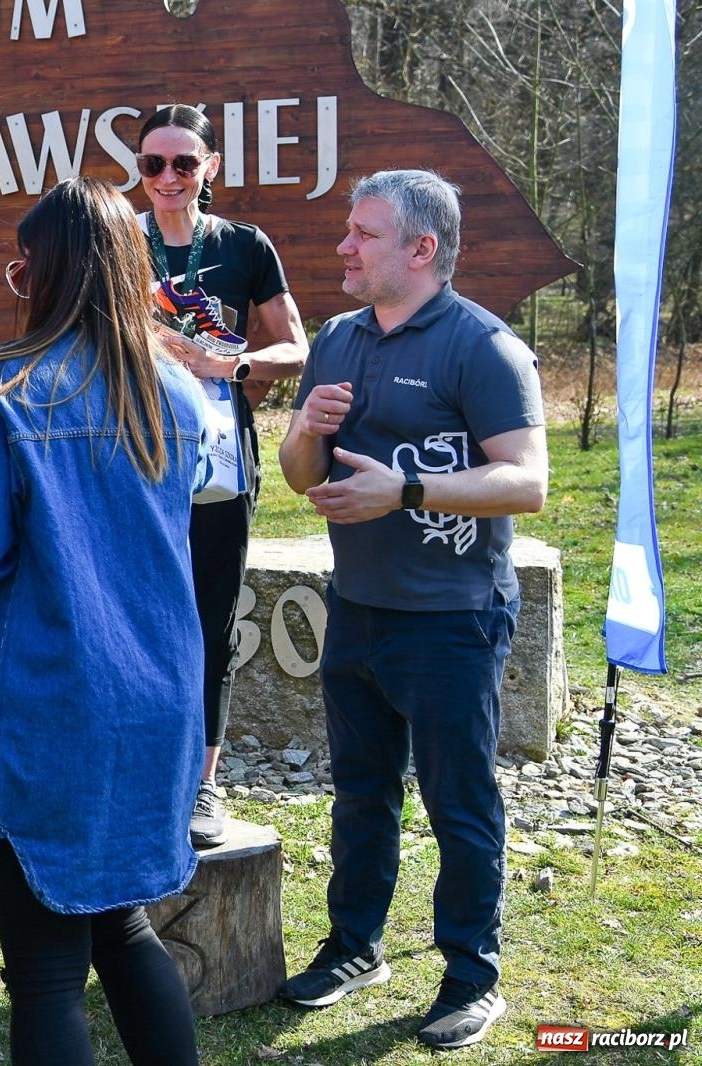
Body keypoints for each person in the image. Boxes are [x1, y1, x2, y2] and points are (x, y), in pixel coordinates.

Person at [0, 177, 206, 1066]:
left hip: (51, 701)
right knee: (123, 929)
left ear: (45, 273)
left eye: (23, 269)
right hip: (158, 695)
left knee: (47, 976)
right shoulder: (178, 393)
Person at [276, 170, 547, 1051]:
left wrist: (411, 492)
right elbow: (299, 475)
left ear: (422, 249)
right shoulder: (338, 338)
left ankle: (472, 974)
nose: (344, 247)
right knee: (359, 796)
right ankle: (356, 948)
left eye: (364, 234)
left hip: (452, 619)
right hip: (355, 605)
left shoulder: (485, 347)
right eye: (349, 231)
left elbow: (528, 482)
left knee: (459, 803)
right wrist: (307, 428)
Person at [135, 104, 309, 848]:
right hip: (132, 455)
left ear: (210, 168)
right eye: (153, 164)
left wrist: (228, 364)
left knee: (211, 617)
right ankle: (144, 768)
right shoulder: (119, 243)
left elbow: (296, 347)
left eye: (183, 163)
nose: (168, 178)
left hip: (219, 458)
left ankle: (203, 786)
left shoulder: (244, 246)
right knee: (136, 613)